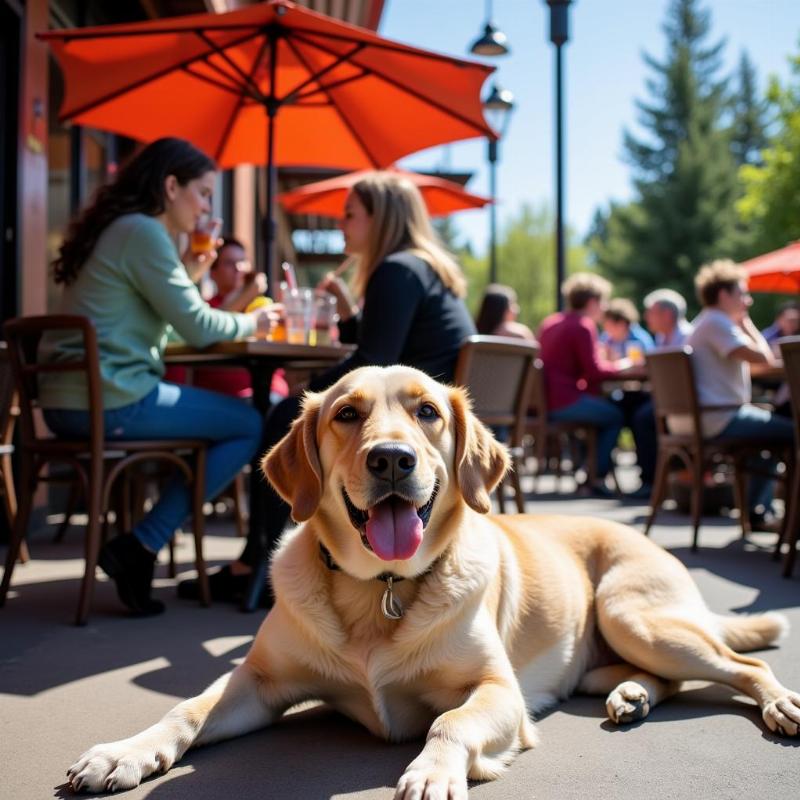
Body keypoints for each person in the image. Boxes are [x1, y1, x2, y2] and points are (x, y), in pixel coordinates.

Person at [178, 171, 478, 604]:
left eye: (350, 215)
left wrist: (312, 400)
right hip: (422, 423)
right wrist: (347, 311)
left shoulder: (396, 270)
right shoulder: (419, 268)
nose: (341, 224)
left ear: (381, 220)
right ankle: (262, 554)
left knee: (285, 418)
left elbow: (371, 363)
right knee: (288, 415)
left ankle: (258, 561)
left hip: (403, 425)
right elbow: (385, 344)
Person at [39, 137, 275, 616]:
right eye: (204, 193)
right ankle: (141, 545)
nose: (209, 206)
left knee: (246, 420)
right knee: (252, 423)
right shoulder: (143, 233)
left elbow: (167, 333)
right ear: (171, 187)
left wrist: (188, 271)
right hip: (110, 400)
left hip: (79, 399)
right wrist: (255, 321)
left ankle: (140, 548)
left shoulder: (126, 231)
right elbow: (198, 329)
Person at [668, 260, 794, 530]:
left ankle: (758, 511)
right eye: (742, 293)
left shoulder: (708, 322)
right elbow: (764, 358)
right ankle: (775, 516)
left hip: (698, 416)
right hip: (717, 416)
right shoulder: (717, 322)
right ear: (724, 295)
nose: (747, 301)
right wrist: (747, 323)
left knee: (768, 438)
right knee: (792, 432)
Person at [537, 273, 629, 497]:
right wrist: (625, 365)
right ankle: (595, 478)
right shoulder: (583, 325)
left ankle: (588, 470)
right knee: (615, 416)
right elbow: (595, 372)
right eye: (603, 302)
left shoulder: (550, 322)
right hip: (565, 401)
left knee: (603, 413)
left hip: (545, 400)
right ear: (592, 302)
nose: (604, 308)